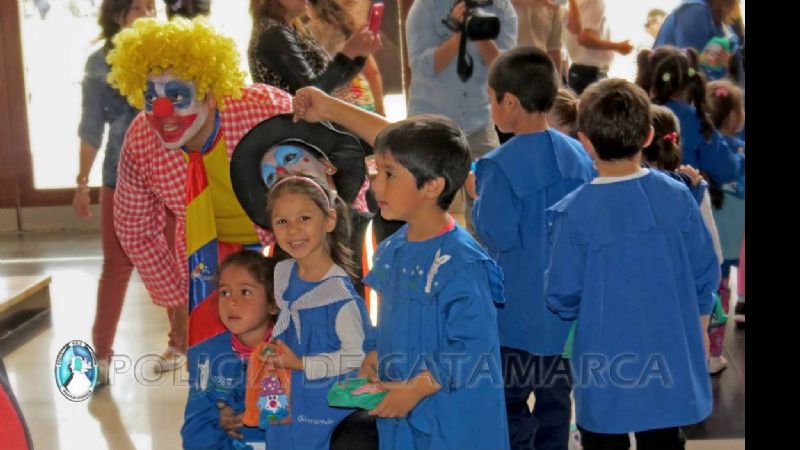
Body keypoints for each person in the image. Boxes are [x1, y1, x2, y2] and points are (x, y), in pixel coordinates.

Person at [545, 78, 719, 449]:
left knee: (603, 438)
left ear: (584, 142)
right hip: (670, 352)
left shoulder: (574, 213)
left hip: (607, 361)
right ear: (648, 136)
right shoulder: (678, 196)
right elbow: (705, 271)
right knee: (663, 435)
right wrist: (701, 326)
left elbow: (562, 293)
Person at [106, 17, 293, 347]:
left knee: (293, 345)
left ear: (210, 96)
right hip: (206, 253)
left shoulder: (264, 112)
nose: (161, 112)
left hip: (285, 241)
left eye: (177, 96)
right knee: (212, 354)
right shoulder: (142, 138)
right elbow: (135, 227)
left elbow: (327, 176)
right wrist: (177, 302)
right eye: (150, 98)